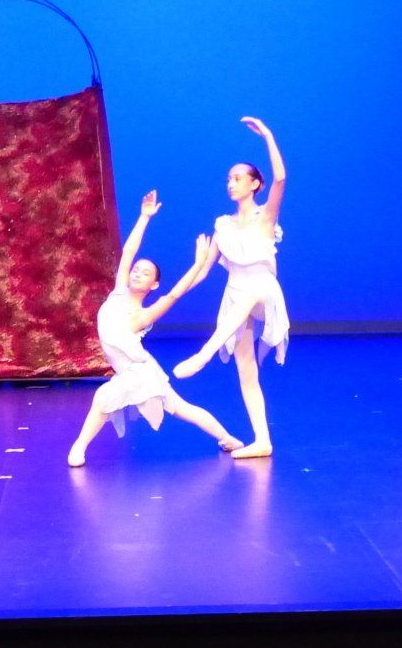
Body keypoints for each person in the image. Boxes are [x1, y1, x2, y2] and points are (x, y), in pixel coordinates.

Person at [67, 191, 241, 466]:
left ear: (153, 285)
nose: (137, 272)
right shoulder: (118, 293)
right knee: (180, 408)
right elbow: (129, 251)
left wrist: (198, 265)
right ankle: (227, 437)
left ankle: (79, 447)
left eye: (145, 273)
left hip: (140, 371)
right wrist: (144, 217)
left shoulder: (143, 314)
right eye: (137, 270)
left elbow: (174, 294)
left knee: (105, 397)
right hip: (137, 371)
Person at [170, 117, 288, 458]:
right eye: (228, 179)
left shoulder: (265, 217)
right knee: (246, 371)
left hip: (263, 292)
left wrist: (268, 134)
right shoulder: (222, 225)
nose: (231, 183)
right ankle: (262, 440)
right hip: (235, 297)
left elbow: (281, 178)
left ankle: (204, 354)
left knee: (251, 294)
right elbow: (204, 272)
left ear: (255, 184)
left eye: (237, 178)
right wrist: (174, 292)